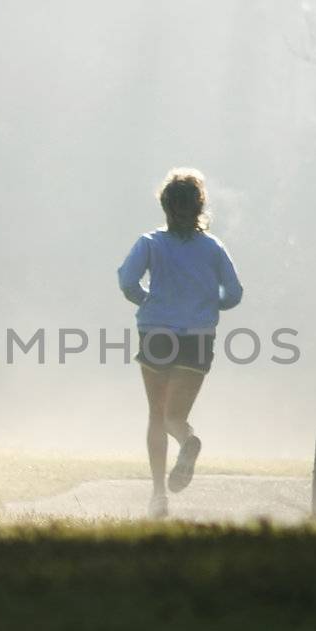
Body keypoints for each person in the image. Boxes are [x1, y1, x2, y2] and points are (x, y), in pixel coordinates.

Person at [117, 169, 243, 518]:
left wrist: (146, 299)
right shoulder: (213, 247)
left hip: (156, 331)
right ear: (199, 206)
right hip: (198, 337)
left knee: (156, 414)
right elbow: (234, 293)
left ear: (165, 206)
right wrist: (207, 304)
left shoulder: (150, 243)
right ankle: (187, 441)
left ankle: (159, 495)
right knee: (176, 415)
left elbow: (127, 281)